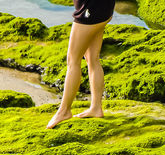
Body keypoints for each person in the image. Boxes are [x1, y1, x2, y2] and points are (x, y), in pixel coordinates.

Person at [46, 0, 116, 129]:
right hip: (101, 9)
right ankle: (96, 108)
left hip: (90, 12)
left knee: (73, 61)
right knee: (92, 58)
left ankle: (64, 111)